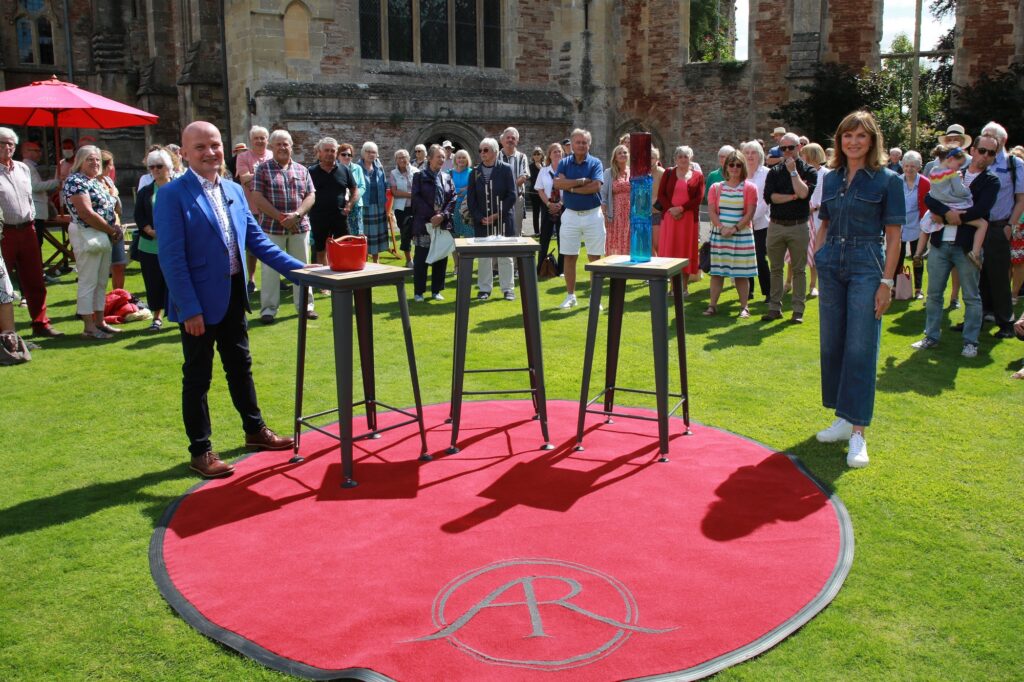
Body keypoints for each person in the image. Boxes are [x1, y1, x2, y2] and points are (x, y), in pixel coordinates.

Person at [156, 121, 304, 478]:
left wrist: (303, 270)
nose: (210, 153)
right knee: (198, 376)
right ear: (184, 153)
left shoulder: (235, 190)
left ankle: (255, 430)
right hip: (197, 303)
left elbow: (258, 242)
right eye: (200, 147)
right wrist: (189, 308)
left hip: (233, 295)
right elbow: (172, 259)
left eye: (215, 145)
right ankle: (200, 451)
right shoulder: (172, 194)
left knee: (240, 366)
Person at [814, 110, 904, 468]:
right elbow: (824, 221)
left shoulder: (888, 180)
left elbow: (894, 237)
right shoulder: (830, 178)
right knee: (832, 343)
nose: (853, 142)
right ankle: (842, 417)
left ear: (872, 140)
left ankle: (858, 432)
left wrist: (887, 282)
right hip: (831, 263)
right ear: (840, 140)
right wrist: (819, 255)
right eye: (848, 135)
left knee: (861, 346)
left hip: (867, 265)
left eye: (861, 135)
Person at [912, 132, 1001, 357]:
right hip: (940, 243)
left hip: (966, 246)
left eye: (991, 153)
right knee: (934, 294)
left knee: (971, 296)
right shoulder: (953, 169)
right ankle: (931, 336)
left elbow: (982, 209)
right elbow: (929, 198)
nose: (986, 156)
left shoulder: (991, 180)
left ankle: (970, 342)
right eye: (982, 150)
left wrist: (949, 216)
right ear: (973, 151)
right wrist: (946, 212)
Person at [249, 129, 317, 323]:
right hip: (272, 227)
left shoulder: (302, 170)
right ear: (271, 147)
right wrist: (280, 217)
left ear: (291, 146)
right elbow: (257, 197)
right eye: (278, 144)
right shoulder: (263, 169)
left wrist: (297, 215)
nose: (282, 147)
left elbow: (311, 195)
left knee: (302, 268)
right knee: (270, 270)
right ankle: (268, 310)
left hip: (299, 227)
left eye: (285, 144)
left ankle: (305, 306)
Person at [0, 128, 61, 337]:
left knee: (35, 279)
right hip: (4, 233)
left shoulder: (23, 169)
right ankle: (6, 332)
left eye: (11, 143)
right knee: (3, 283)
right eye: (2, 143)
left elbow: (29, 197)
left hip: (27, 229)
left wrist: (32, 219)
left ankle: (41, 323)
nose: (7, 147)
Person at [62, 146, 122, 338]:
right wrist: (110, 230)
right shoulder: (75, 181)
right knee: (88, 280)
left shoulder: (95, 181)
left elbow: (109, 207)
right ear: (80, 161)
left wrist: (114, 227)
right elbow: (86, 213)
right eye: (90, 159)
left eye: (97, 159)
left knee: (101, 280)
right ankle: (89, 327)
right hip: (86, 233)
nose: (95, 163)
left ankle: (100, 321)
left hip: (102, 233)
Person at [763, 132, 817, 323]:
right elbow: (770, 197)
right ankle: (774, 308)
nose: (786, 151)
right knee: (775, 269)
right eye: (783, 148)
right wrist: (793, 197)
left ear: (799, 147)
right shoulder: (774, 171)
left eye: (790, 148)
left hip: (798, 226)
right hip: (776, 225)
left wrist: (794, 172)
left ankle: (797, 311)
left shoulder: (808, 171)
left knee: (799, 270)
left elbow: (804, 193)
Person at [976, 121, 1024, 339]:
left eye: (990, 135)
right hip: (977, 226)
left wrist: (1010, 226)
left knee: (999, 276)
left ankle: (1006, 323)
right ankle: (979, 316)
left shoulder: (1014, 164)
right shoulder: (979, 161)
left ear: (1002, 140)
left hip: (998, 226)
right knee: (977, 274)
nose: (985, 139)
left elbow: (1021, 199)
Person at [553, 128, 605, 309]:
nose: (581, 145)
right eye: (578, 142)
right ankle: (570, 296)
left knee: (595, 257)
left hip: (593, 214)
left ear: (589, 145)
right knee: (569, 255)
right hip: (570, 215)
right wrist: (581, 181)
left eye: (584, 142)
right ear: (572, 144)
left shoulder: (595, 163)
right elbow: (557, 183)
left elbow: (595, 186)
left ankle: (595, 298)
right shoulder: (564, 162)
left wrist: (570, 187)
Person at [705, 150, 757, 317]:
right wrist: (721, 228)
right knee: (717, 273)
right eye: (731, 164)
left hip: (742, 236)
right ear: (726, 167)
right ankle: (712, 306)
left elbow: (750, 213)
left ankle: (744, 307)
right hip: (720, 236)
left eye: (738, 165)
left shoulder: (750, 188)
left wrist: (734, 229)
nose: (735, 168)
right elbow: (711, 211)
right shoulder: (715, 188)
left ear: (743, 167)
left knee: (742, 274)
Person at [466, 137, 517, 301]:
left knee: (505, 255)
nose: (482, 153)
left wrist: (498, 214)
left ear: (495, 152)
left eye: (486, 150)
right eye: (480, 150)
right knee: (484, 256)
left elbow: (512, 195)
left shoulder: (506, 169)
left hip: (503, 220)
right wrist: (479, 217)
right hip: (482, 221)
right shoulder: (475, 172)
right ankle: (484, 289)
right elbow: (471, 199)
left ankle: (508, 289)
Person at [133, 149, 174, 331]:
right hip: (150, 245)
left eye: (159, 166)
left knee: (176, 280)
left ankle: (181, 314)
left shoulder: (179, 189)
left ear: (168, 167)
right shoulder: (145, 192)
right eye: (152, 167)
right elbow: (139, 215)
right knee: (153, 282)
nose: (155, 170)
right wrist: (149, 230)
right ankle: (156, 318)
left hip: (175, 245)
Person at [410, 144, 456, 302]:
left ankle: (436, 290)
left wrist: (442, 215)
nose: (442, 159)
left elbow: (453, 198)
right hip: (424, 224)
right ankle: (419, 292)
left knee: (441, 258)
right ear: (429, 158)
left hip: (442, 223)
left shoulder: (447, 177)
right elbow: (416, 198)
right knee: (421, 258)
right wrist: (432, 216)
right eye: (438, 157)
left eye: (443, 157)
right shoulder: (419, 176)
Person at [657, 145, 704, 296]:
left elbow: (699, 198)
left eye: (686, 156)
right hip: (670, 218)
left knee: (685, 251)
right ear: (675, 159)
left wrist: (681, 209)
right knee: (670, 251)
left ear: (691, 158)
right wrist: (672, 209)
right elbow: (661, 194)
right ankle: (672, 288)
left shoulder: (698, 176)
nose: (683, 159)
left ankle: (683, 288)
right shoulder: (668, 173)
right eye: (680, 156)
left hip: (688, 220)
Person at [308, 136, 359, 266]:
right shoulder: (311, 171)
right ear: (320, 152)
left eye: (333, 151)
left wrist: (349, 205)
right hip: (318, 217)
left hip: (339, 216)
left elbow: (354, 189)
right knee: (320, 250)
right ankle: (324, 278)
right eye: (326, 150)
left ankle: (343, 273)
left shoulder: (344, 170)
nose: (330, 153)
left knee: (345, 246)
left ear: (336, 153)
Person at [235, 125, 273, 296]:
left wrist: (256, 174)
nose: (259, 141)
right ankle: (251, 279)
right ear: (251, 140)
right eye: (256, 138)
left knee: (273, 245)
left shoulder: (272, 155)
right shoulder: (243, 157)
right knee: (252, 249)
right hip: (252, 209)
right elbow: (245, 179)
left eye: (262, 138)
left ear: (267, 140)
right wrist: (266, 174)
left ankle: (273, 278)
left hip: (271, 209)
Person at [897, 150, 930, 299]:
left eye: (912, 166)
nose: (909, 169)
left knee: (917, 257)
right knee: (898, 256)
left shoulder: (925, 183)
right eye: (906, 166)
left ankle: (918, 289)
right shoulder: (897, 181)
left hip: (918, 224)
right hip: (900, 225)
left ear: (918, 167)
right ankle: (895, 287)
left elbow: (927, 206)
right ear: (903, 166)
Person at [740, 140, 771, 299]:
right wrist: (742, 220)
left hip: (761, 223)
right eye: (747, 153)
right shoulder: (739, 172)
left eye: (753, 153)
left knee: (759, 257)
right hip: (741, 224)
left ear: (760, 155)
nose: (750, 156)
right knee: (745, 258)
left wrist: (750, 217)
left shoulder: (766, 173)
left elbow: (766, 200)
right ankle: (748, 291)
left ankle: (768, 292)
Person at [19, 140, 59, 263]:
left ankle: (38, 269)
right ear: (26, 152)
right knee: (36, 243)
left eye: (40, 151)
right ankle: (36, 269)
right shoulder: (26, 166)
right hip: (35, 211)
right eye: (36, 150)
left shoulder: (30, 166)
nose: (40, 153)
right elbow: (35, 186)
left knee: (38, 242)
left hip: (38, 211)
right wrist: (56, 182)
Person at [800, 142, 829, 298]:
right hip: (802, 218)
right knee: (796, 252)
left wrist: (815, 207)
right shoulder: (802, 173)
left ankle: (813, 285)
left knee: (815, 253)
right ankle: (789, 282)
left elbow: (828, 197)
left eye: (804, 154)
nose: (801, 158)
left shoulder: (826, 174)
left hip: (818, 218)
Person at [98, 150, 127, 290]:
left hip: (116, 226)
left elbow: (116, 205)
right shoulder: (93, 183)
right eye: (111, 164)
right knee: (101, 267)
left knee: (119, 265)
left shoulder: (108, 180)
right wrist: (113, 195)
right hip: (102, 228)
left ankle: (118, 295)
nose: (112, 168)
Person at [535, 142, 565, 275]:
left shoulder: (567, 171)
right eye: (555, 151)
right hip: (547, 206)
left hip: (563, 207)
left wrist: (560, 204)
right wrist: (549, 204)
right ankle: (540, 268)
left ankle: (561, 269)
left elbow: (569, 189)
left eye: (559, 151)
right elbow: (540, 190)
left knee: (562, 238)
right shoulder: (543, 171)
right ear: (550, 155)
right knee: (544, 238)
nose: (557, 154)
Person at [358, 141, 389, 263]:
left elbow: (385, 185)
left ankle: (376, 262)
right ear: (363, 153)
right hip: (363, 206)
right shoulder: (357, 167)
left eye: (374, 152)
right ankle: (363, 262)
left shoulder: (379, 168)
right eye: (368, 152)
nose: (371, 154)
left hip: (379, 206)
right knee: (364, 236)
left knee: (377, 236)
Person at [388, 148, 417, 267]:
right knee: (405, 234)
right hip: (401, 209)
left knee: (418, 232)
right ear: (396, 160)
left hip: (416, 207)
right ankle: (409, 260)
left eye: (404, 157)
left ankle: (418, 258)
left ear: (408, 158)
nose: (402, 160)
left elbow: (420, 188)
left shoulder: (416, 171)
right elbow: (395, 192)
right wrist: (411, 195)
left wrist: (413, 195)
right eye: (399, 158)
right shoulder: (393, 173)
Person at [499, 127, 530, 236]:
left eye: (513, 138)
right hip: (499, 199)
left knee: (516, 231)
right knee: (499, 231)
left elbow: (524, 176)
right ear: (502, 140)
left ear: (517, 141)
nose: (510, 140)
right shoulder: (495, 156)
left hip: (516, 199)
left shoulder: (522, 157)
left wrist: (508, 188)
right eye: (508, 137)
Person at [600, 144, 631, 256]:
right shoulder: (608, 172)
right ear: (615, 157)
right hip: (614, 214)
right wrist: (604, 214)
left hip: (630, 214)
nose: (623, 155)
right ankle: (613, 265)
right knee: (614, 241)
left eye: (625, 152)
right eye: (620, 153)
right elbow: (603, 195)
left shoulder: (633, 172)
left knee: (629, 240)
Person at [450, 149, 473, 240]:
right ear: (455, 159)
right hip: (453, 207)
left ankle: (469, 250)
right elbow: (448, 190)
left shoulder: (472, 173)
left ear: (467, 159)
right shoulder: (449, 173)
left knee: (469, 235)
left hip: (468, 207)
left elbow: (473, 189)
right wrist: (463, 189)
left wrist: (457, 191)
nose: (461, 160)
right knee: (454, 236)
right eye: (459, 157)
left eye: (464, 157)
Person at [650, 146, 665, 255]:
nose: (649, 160)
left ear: (657, 159)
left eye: (652, 158)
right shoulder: (641, 172)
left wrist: (656, 206)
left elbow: (665, 193)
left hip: (657, 212)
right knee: (648, 245)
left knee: (657, 244)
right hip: (643, 213)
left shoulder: (662, 173)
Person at [527, 146, 544, 237]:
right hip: (534, 192)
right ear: (532, 156)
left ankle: (544, 230)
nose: (537, 156)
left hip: (544, 192)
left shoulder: (545, 166)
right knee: (536, 212)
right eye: (535, 154)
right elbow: (532, 179)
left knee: (544, 212)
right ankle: (536, 231)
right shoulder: (530, 167)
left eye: (538, 154)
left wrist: (541, 168)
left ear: (542, 155)